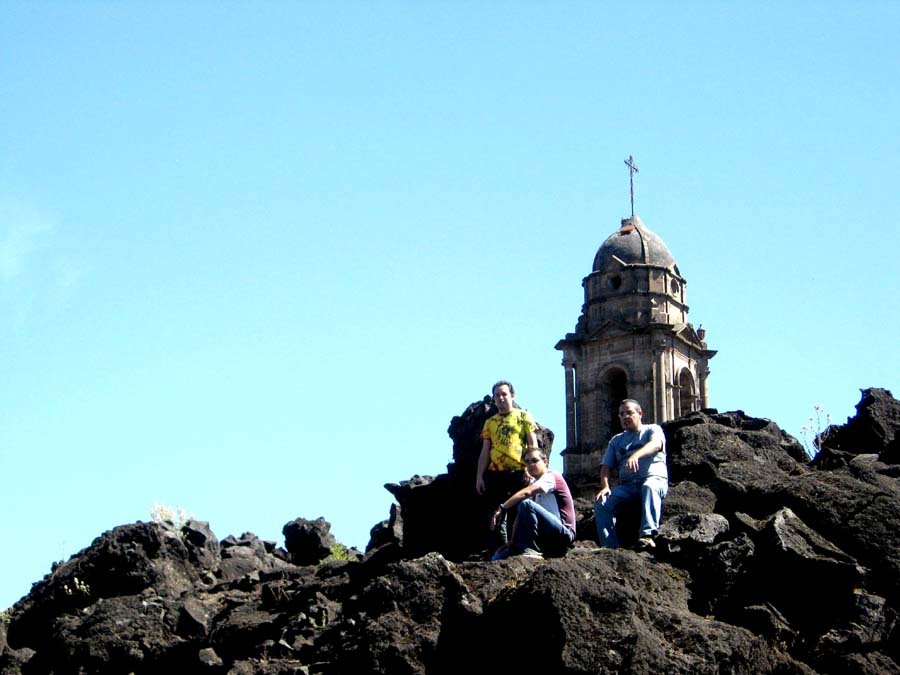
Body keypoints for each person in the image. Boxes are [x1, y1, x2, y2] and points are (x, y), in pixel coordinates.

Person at [593, 399, 668, 549]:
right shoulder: (616, 440)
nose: (625, 417)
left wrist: (635, 456)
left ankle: (647, 535)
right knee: (601, 502)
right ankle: (609, 547)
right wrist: (605, 486)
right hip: (628, 487)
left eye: (629, 412)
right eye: (621, 414)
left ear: (640, 414)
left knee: (649, 487)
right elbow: (606, 467)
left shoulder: (652, 429)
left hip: (653, 479)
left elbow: (656, 444)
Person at [476, 381, 538, 547]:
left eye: (504, 394)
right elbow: (485, 452)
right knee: (496, 514)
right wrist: (479, 477)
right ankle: (500, 550)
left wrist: (530, 469)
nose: (501, 398)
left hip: (518, 472)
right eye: (497, 395)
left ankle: (517, 547)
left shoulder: (523, 416)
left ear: (512, 396)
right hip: (495, 473)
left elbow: (533, 444)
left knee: (517, 513)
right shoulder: (490, 422)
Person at [490, 447, 576, 560]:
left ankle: (531, 550)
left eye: (535, 461)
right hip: (544, 536)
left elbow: (527, 494)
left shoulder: (552, 476)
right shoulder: (534, 483)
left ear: (545, 461)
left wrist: (503, 508)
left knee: (526, 504)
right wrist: (512, 541)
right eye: (527, 462)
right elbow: (522, 516)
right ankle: (526, 548)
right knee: (498, 556)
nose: (530, 464)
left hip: (563, 534)